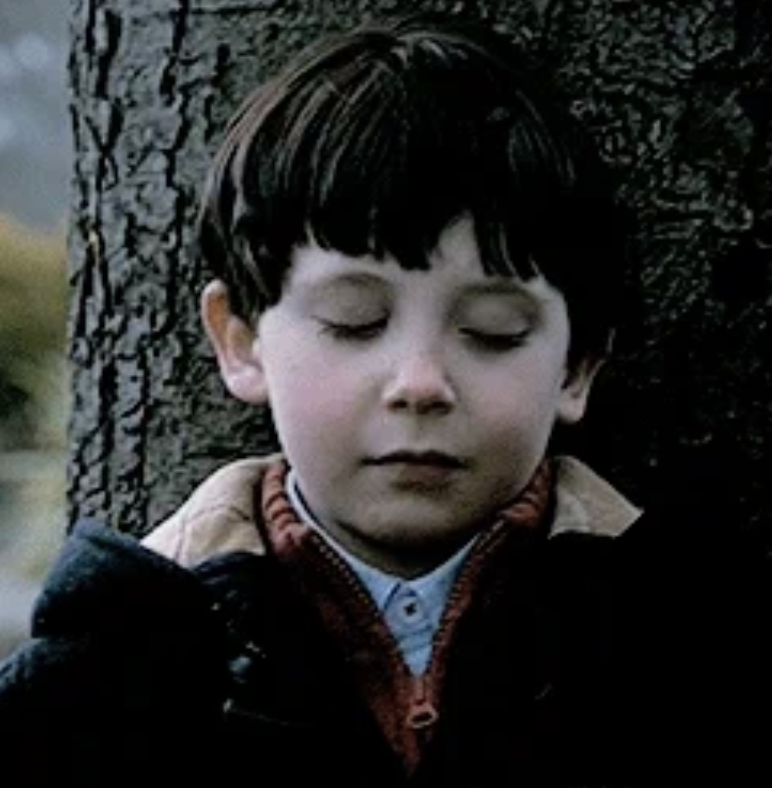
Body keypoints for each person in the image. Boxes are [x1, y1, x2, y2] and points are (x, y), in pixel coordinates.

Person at [0, 12, 769, 787]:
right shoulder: (100, 678)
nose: (420, 384)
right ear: (240, 340)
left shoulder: (695, 657)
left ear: (575, 367)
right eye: (354, 322)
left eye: (493, 331)